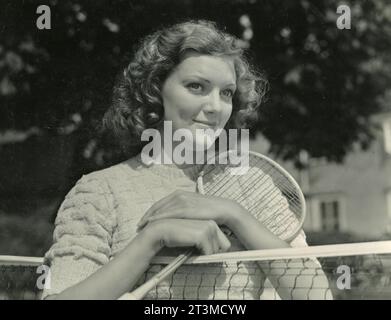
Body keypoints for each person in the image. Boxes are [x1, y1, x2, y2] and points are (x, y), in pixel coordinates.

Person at [42, 20, 332, 300]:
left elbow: (317, 296)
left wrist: (233, 213)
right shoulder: (98, 192)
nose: (216, 107)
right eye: (196, 86)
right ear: (155, 89)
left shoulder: (252, 184)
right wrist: (152, 239)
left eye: (226, 93)